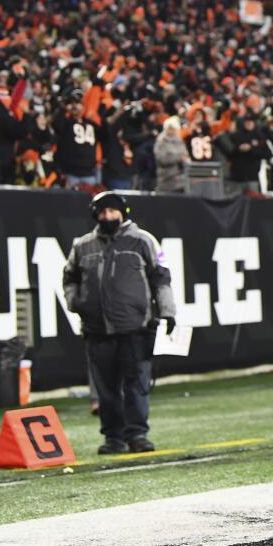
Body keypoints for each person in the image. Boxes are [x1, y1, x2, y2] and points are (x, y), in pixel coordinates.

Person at [63, 192, 175, 454]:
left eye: (112, 211)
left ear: (122, 212)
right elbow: (69, 277)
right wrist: (76, 303)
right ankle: (113, 438)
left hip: (136, 327)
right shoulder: (82, 245)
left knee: (136, 385)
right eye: (102, 212)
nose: (107, 216)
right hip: (97, 329)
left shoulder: (143, 240)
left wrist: (168, 311)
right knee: (106, 389)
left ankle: (137, 435)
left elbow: (161, 278)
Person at [52, 89, 100, 189]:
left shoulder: (91, 124)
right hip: (70, 174)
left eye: (78, 103)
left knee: (90, 203)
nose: (74, 106)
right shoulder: (66, 123)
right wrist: (63, 108)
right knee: (69, 204)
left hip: (89, 173)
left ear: (83, 105)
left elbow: (106, 133)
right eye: (72, 103)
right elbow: (56, 125)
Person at [153, 116, 190, 194]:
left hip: (181, 180)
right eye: (171, 128)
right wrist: (179, 157)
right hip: (167, 180)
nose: (173, 131)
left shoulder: (179, 140)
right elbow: (161, 159)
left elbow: (185, 154)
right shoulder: (161, 141)